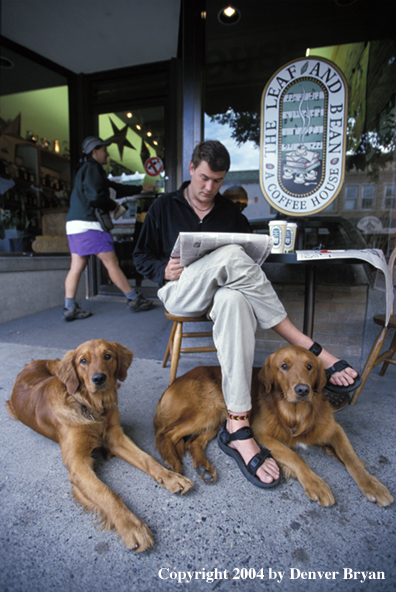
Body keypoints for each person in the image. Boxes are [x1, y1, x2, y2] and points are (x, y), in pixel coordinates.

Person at [133, 140, 361, 489]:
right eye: (205, 178)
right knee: (232, 257)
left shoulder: (230, 213)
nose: (210, 187)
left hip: (219, 296)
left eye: (218, 181)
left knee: (235, 301)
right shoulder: (164, 206)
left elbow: (249, 264)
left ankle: (237, 424)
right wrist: (163, 269)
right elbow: (140, 257)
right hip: (181, 292)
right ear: (192, 169)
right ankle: (307, 345)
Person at [64, 136, 154, 321]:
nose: (108, 153)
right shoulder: (93, 169)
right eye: (104, 149)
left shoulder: (87, 170)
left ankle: (70, 307)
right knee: (111, 262)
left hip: (74, 224)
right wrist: (114, 206)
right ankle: (134, 299)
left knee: (76, 267)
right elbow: (96, 198)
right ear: (95, 151)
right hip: (89, 225)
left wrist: (139, 188)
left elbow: (114, 186)